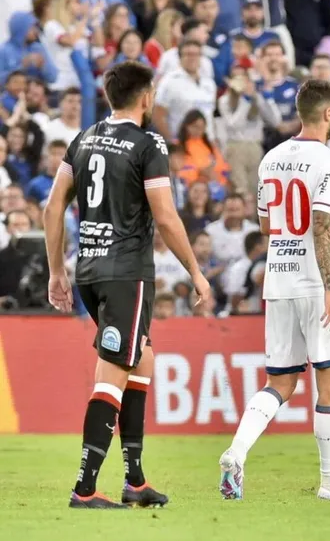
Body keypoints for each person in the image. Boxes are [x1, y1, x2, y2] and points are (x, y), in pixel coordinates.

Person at [43, 60, 212, 509]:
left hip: (89, 271)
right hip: (126, 274)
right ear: (146, 97)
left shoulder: (84, 138)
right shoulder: (147, 142)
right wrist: (195, 271)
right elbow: (166, 216)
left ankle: (134, 480)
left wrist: (56, 271)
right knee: (114, 373)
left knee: (142, 359)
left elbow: (53, 206)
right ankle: (85, 488)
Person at [218, 80, 330, 502]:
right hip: (315, 283)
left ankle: (236, 452)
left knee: (280, 382)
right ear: (328, 113)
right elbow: (323, 224)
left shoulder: (271, 159)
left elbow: (266, 225)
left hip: (279, 280)